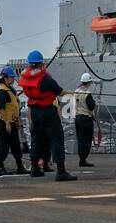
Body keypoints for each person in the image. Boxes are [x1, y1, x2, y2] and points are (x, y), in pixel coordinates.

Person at [18, 50, 77, 181]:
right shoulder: (47, 79)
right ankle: (61, 171)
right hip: (48, 111)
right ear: (41, 63)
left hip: (34, 111)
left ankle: (34, 168)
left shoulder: (26, 78)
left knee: (36, 139)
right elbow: (60, 92)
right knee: (56, 138)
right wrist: (72, 94)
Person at [0, 66, 28, 174]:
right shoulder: (2, 91)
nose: (13, 79)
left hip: (12, 121)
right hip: (4, 121)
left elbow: (14, 106)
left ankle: (20, 166)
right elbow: (1, 108)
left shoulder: (10, 89)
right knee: (4, 144)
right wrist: (6, 123)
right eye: (11, 77)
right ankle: (0, 166)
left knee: (15, 144)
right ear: (5, 77)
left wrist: (17, 120)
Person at [72, 72, 97, 167]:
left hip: (77, 118)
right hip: (86, 118)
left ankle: (81, 158)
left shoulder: (76, 91)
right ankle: (83, 159)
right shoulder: (87, 93)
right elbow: (91, 106)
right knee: (87, 139)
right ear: (89, 82)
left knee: (80, 139)